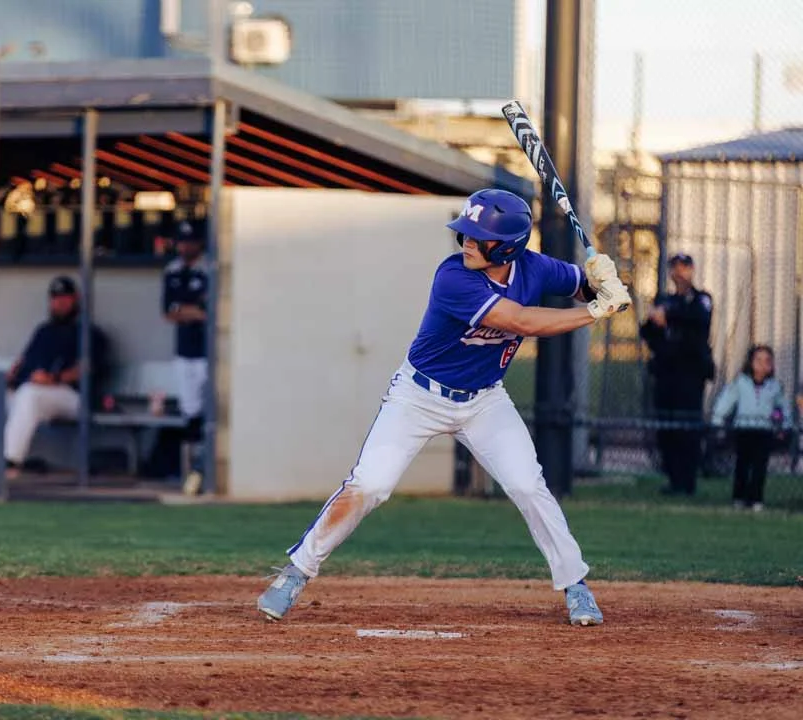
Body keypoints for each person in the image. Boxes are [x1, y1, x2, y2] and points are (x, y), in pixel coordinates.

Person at [256, 188, 633, 627]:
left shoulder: (535, 268)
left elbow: (580, 286)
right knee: (370, 485)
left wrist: (600, 281)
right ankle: (297, 571)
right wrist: (596, 311)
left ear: (507, 248)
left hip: (484, 401)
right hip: (418, 397)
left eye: (477, 237)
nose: (466, 242)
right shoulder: (454, 277)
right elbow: (520, 321)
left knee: (528, 486)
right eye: (465, 234)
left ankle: (576, 585)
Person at [4, 275, 110, 477]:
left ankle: (10, 462)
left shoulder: (90, 333)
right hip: (38, 394)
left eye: (64, 298)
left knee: (30, 395)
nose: (59, 303)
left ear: (75, 299)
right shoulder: (43, 331)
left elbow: (86, 369)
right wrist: (11, 379)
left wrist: (54, 379)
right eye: (55, 298)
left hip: (73, 397)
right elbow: (24, 365)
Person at [639, 253, 714, 496]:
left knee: (687, 427)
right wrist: (656, 322)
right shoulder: (664, 300)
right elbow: (647, 331)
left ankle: (687, 480)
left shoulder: (700, 299)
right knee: (666, 428)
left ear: (691, 270)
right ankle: (673, 479)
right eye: (675, 268)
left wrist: (668, 318)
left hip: (690, 375)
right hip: (666, 374)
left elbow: (699, 321)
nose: (679, 273)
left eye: (684, 268)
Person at [710, 344, 791, 511]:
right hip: (744, 429)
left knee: (760, 466)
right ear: (751, 362)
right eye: (758, 360)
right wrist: (717, 421)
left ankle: (756, 499)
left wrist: (785, 426)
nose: (762, 365)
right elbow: (726, 401)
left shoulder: (775, 387)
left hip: (764, 430)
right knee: (743, 465)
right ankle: (739, 497)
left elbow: (784, 408)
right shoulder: (740, 383)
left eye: (767, 361)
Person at [162, 219, 209, 493]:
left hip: (207, 352)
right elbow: (169, 312)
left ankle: (202, 470)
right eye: (182, 241)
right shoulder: (172, 271)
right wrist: (192, 311)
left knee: (207, 411)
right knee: (189, 411)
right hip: (184, 351)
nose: (185, 247)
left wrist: (187, 311)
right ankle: (191, 472)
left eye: (190, 242)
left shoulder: (209, 269)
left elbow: (209, 312)